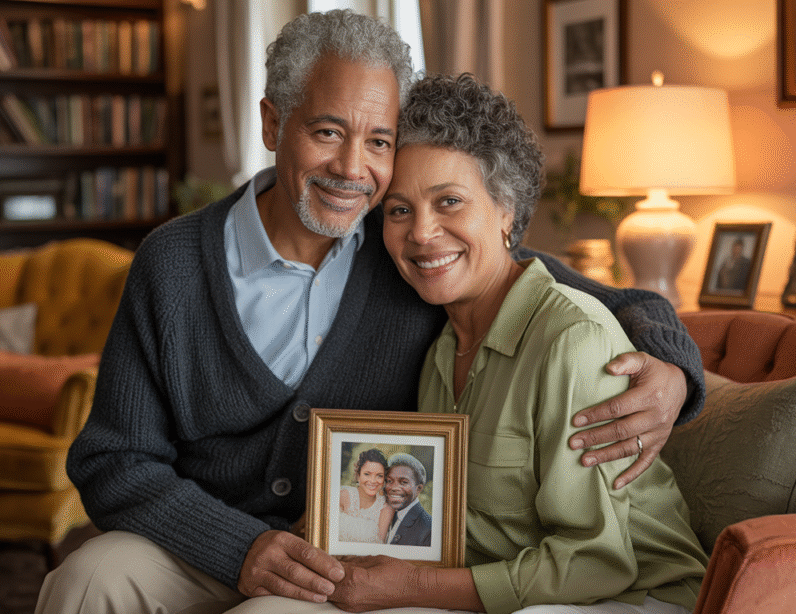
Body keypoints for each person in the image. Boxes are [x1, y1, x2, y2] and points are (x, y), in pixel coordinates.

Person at [35, 10, 705, 614]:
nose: (352, 168)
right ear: (273, 124)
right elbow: (112, 461)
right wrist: (242, 546)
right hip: (208, 542)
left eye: (379, 141)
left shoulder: (412, 255)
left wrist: (674, 368)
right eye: (328, 132)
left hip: (347, 563)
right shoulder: (173, 264)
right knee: (83, 580)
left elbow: (589, 300)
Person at [229, 72, 707, 614]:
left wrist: (410, 588)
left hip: (628, 597)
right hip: (499, 588)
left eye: (449, 201)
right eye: (400, 210)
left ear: (506, 210)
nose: (422, 234)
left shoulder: (571, 342)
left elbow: (597, 562)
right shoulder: (438, 349)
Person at [338, 448, 394, 544]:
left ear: (384, 479)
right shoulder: (344, 496)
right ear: (358, 475)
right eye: (367, 474)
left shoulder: (386, 509)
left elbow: (379, 545)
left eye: (379, 476)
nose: (373, 481)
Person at [381, 453, 431, 546]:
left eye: (403, 482)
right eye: (389, 481)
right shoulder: (385, 514)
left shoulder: (428, 529)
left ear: (418, 488)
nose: (394, 487)